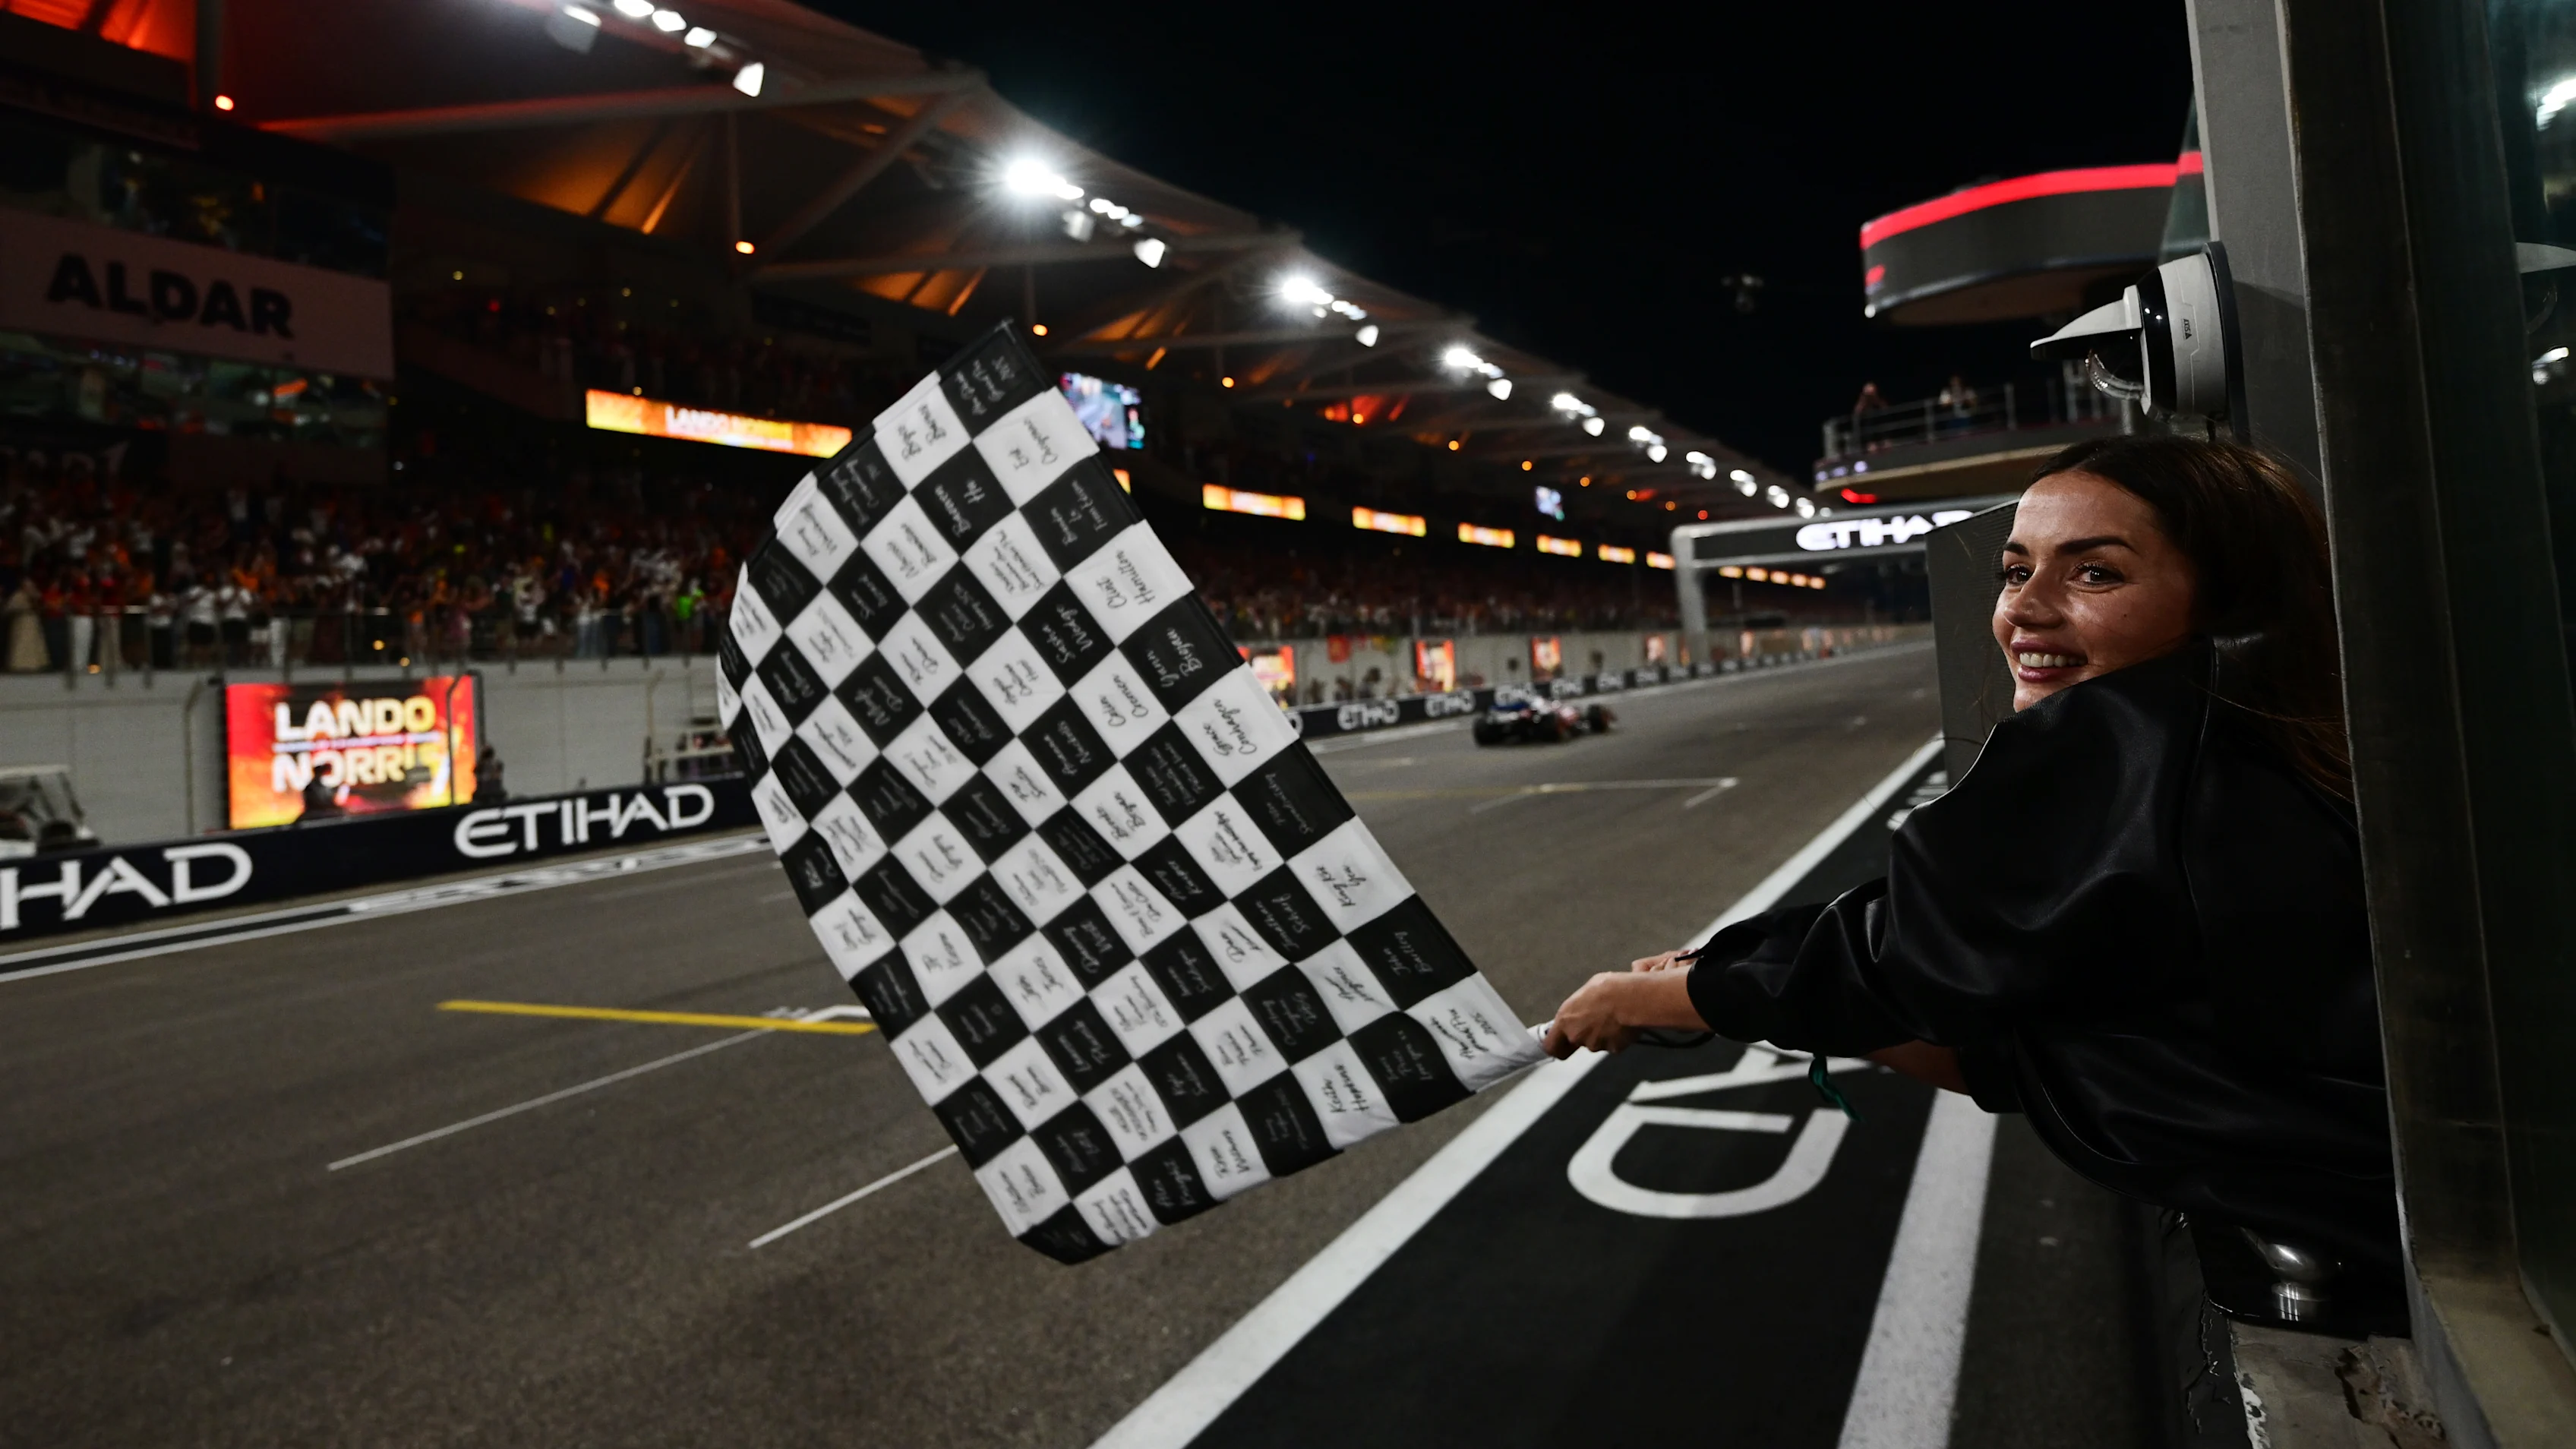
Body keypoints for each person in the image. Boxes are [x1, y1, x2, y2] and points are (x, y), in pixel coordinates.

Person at [1544, 434, 2397, 1294]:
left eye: (2093, 573)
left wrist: (1659, 994)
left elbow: (1905, 960)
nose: (2023, 609)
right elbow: (2018, 1027)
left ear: (2226, 600)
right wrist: (1725, 989)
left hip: (2360, 1245)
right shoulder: (2274, 738)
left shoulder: (2134, 734)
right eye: (2014, 569)